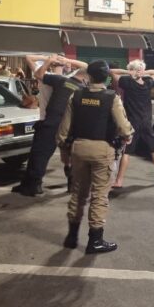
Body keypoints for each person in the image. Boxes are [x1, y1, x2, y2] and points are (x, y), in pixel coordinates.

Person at [57, 61, 134, 254]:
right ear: (107, 77)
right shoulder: (112, 97)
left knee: (78, 194)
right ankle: (95, 240)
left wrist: (64, 150)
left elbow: (64, 128)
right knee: (99, 195)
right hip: (102, 149)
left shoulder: (76, 95)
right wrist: (128, 135)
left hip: (79, 148)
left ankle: (72, 236)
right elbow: (123, 127)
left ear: (88, 76)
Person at [13, 54, 88, 196]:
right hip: (69, 125)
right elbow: (85, 66)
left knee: (40, 154)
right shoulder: (79, 85)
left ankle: (33, 185)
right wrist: (66, 60)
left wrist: (50, 59)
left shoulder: (57, 79)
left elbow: (30, 60)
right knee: (68, 155)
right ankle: (72, 183)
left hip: (50, 122)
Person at [110, 60, 154, 186]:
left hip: (133, 124)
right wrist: (142, 72)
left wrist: (130, 72)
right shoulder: (147, 83)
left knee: (127, 152)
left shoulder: (127, 82)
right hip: (146, 122)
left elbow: (112, 72)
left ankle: (119, 181)